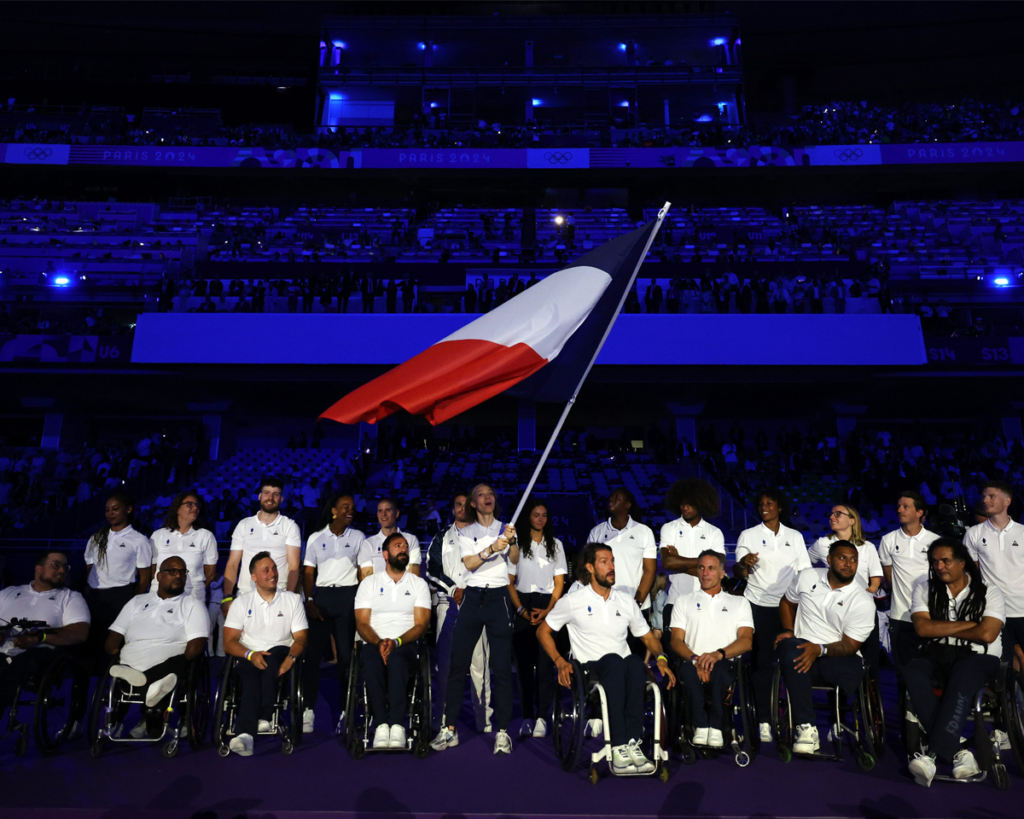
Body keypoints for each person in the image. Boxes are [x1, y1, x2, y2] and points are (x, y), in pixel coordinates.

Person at [538, 543, 675, 774]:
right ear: (590, 568)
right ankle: (618, 745)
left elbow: (649, 638)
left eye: (612, 561)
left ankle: (632, 744)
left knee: (633, 662)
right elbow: (542, 631)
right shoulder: (573, 601)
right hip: (589, 668)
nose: (612, 566)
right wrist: (560, 661)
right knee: (615, 661)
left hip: (622, 667)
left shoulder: (625, 601)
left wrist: (661, 657)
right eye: (604, 562)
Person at [906, 538, 1005, 786]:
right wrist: (971, 625)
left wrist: (941, 629)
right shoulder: (924, 589)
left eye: (946, 561)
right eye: (935, 561)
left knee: (962, 675)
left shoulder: (989, 592)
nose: (939, 566)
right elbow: (922, 628)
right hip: (937, 653)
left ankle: (931, 756)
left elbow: (987, 634)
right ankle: (959, 751)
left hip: (979, 656)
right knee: (911, 672)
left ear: (962, 563)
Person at [432, 483, 519, 754]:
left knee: (502, 668)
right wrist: (492, 547)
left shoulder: (507, 527)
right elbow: (469, 563)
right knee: (458, 666)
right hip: (471, 599)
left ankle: (502, 732)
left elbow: (515, 560)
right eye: (481, 495)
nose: (488, 498)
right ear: (473, 503)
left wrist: (512, 542)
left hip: (497, 599)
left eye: (491, 494)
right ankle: (449, 730)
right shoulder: (466, 532)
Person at [774, 541, 876, 754]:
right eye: (842, 558)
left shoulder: (863, 600)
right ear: (829, 560)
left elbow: (850, 644)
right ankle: (806, 728)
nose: (849, 564)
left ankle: (816, 723)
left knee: (797, 658)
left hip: (840, 657)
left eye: (854, 559)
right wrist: (787, 630)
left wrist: (819, 649)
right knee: (789, 647)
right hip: (801, 650)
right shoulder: (807, 576)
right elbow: (786, 602)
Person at [733, 489, 811, 740]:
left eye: (770, 503)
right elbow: (738, 571)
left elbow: (804, 573)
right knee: (762, 664)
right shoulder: (748, 535)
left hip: (789, 607)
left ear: (780, 507)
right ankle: (764, 720)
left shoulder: (795, 536)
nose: (764, 507)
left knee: (795, 662)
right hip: (758, 605)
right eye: (761, 504)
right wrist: (745, 563)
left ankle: (799, 720)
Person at [104, 556, 209, 738]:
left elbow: (196, 647)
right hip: (132, 659)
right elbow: (113, 637)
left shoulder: (193, 605)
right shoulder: (137, 601)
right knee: (127, 666)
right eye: (172, 571)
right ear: (158, 576)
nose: (178, 575)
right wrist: (112, 650)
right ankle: (142, 696)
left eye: (182, 572)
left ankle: (146, 686)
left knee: (182, 662)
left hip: (168, 663)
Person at [222, 551, 308, 756]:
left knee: (272, 660)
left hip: (281, 651)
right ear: (253, 577)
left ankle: (261, 718)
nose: (273, 573)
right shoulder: (241, 602)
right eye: (266, 570)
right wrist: (250, 654)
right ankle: (247, 735)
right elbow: (229, 642)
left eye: (274, 568)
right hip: (249, 652)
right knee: (250, 677)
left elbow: (301, 638)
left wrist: (291, 658)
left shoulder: (292, 600)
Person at [354, 533, 431, 749]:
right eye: (398, 546)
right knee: (370, 660)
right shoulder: (369, 583)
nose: (404, 549)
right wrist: (379, 643)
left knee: (397, 661)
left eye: (406, 546)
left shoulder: (418, 584)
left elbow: (421, 624)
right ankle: (380, 725)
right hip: (374, 642)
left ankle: (397, 724)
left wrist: (396, 642)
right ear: (385, 554)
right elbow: (361, 623)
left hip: (405, 643)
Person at [670, 550, 754, 748]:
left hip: (725, 662)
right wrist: (696, 659)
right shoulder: (683, 602)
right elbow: (675, 641)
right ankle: (701, 725)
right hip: (692, 661)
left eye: (711, 568)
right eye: (701, 568)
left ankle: (716, 726)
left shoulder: (739, 603)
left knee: (721, 669)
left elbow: (746, 641)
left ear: (722, 573)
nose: (705, 573)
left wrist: (717, 655)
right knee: (688, 671)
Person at [426, 490, 493, 733]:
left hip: (476, 606)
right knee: (445, 666)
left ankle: (483, 719)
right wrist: (454, 588)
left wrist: (472, 592)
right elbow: (432, 569)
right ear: (453, 508)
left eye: (466, 504)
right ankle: (442, 717)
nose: (461, 508)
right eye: (457, 504)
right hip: (448, 606)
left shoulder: (486, 535)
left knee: (479, 665)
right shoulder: (442, 536)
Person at [301, 494, 366, 734]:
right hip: (322, 599)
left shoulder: (359, 537)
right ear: (334, 511)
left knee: (347, 661)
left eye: (353, 507)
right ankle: (308, 709)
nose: (351, 510)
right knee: (312, 657)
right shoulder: (316, 538)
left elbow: (362, 572)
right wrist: (309, 599)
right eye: (345, 507)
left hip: (348, 598)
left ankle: (345, 710)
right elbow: (308, 573)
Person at [0, 551, 90, 713]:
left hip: (37, 654)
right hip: (3, 648)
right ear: (39, 569)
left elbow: (79, 632)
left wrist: (39, 636)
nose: (62, 571)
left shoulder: (70, 597)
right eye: (56, 565)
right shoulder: (9, 593)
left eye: (65, 567)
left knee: (13, 670)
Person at [508, 499, 567, 739]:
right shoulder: (517, 545)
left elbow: (559, 583)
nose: (540, 519)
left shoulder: (557, 545)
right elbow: (509, 583)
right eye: (535, 514)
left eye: (544, 515)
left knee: (544, 667)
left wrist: (548, 610)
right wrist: (521, 610)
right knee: (524, 667)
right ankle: (527, 717)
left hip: (547, 606)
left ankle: (543, 717)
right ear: (528, 517)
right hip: (522, 605)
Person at [807, 504, 884, 669]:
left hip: (863, 609)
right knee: (836, 659)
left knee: (870, 660)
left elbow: (876, 577)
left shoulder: (867, 547)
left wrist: (869, 591)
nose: (832, 517)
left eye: (838, 514)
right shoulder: (822, 543)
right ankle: (837, 695)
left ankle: (869, 693)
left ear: (851, 520)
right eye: (831, 514)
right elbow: (806, 562)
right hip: (834, 611)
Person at [659, 479, 725, 654]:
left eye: (689, 503)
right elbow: (667, 563)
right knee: (674, 656)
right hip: (674, 601)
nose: (684, 506)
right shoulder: (669, 528)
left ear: (701, 502)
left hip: (706, 604)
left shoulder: (714, 532)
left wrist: (679, 560)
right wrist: (704, 566)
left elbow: (718, 569)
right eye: (682, 502)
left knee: (703, 655)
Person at [878, 491, 940, 677]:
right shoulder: (888, 540)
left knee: (931, 671)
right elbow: (888, 577)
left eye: (906, 506)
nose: (899, 510)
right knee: (903, 671)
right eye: (898, 506)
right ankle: (903, 707)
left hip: (931, 615)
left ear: (920, 512)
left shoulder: (935, 541)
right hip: (899, 616)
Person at [83, 491, 153, 656]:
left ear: (128, 509)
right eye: (107, 510)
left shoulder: (139, 540)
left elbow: (145, 576)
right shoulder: (96, 537)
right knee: (90, 643)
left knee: (114, 644)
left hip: (120, 597)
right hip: (94, 596)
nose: (110, 513)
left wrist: (132, 600)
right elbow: (89, 567)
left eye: (115, 509)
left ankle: (114, 679)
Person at [963, 481, 1024, 666]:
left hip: (1022, 607)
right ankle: (1011, 695)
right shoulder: (973, 534)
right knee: (1005, 660)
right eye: (984, 496)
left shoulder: (1022, 532)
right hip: (993, 609)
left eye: (991, 496)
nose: (985, 500)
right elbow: (971, 573)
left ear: (1007, 501)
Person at [222, 478, 302, 616]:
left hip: (278, 595)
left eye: (275, 494)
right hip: (245, 594)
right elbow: (233, 564)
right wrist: (227, 596)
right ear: (259, 496)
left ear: (281, 499)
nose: (270, 498)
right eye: (266, 493)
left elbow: (294, 566)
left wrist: (288, 597)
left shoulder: (290, 526)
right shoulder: (244, 525)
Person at [587, 488, 657, 632]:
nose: (611, 499)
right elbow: (588, 569)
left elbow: (650, 570)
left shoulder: (644, 532)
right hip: (605, 605)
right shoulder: (597, 532)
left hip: (638, 606)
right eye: (611, 497)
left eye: (617, 497)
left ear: (627, 505)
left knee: (635, 653)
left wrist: (636, 603)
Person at [149, 491, 218, 607]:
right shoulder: (158, 536)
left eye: (197, 505)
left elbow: (210, 574)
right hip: (158, 595)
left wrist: (192, 586)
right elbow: (152, 570)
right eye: (190, 504)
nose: (195, 508)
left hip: (192, 596)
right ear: (177, 509)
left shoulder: (205, 536)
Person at [358, 497, 422, 579]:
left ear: (397, 513)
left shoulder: (411, 540)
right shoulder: (368, 543)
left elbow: (414, 575)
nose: (383, 514)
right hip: (377, 591)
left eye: (388, 510)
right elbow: (366, 578)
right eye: (380, 511)